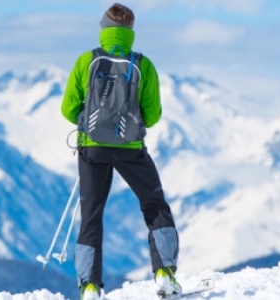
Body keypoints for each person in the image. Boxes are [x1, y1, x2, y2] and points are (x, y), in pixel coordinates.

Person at [60, 3, 181, 300]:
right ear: (131, 32)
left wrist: (88, 121)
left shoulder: (86, 61)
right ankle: (164, 273)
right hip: (130, 148)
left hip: (92, 148)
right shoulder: (143, 64)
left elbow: (67, 109)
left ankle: (90, 286)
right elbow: (152, 116)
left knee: (91, 215)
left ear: (103, 29)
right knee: (154, 205)